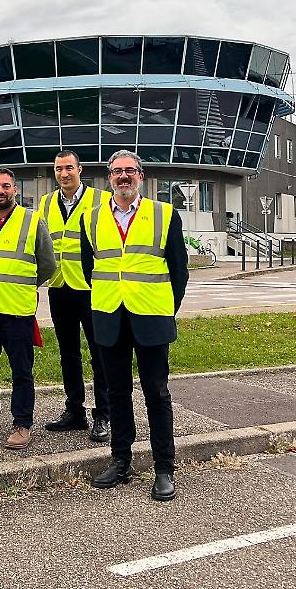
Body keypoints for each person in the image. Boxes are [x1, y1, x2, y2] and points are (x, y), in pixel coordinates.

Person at [81, 149, 188, 502]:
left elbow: (179, 270)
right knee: (116, 393)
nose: (123, 176)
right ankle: (121, 461)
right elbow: (88, 268)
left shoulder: (164, 214)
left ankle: (164, 468)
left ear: (141, 175)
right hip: (110, 315)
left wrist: (165, 309)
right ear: (108, 178)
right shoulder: (92, 219)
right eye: (116, 172)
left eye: (129, 171)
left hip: (152, 316)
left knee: (156, 393)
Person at [0, 169, 56, 449]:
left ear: (14, 189)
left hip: (16, 309)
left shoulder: (32, 220)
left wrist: (25, 285)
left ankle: (22, 424)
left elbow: (48, 264)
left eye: (5, 186)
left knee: (21, 371)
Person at [39, 150, 112, 443]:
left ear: (80, 170)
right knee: (68, 353)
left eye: (69, 167)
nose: (64, 173)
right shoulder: (46, 203)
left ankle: (103, 414)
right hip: (60, 287)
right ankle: (74, 411)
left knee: (100, 353)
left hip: (92, 288)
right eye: (58, 169)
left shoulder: (101, 200)